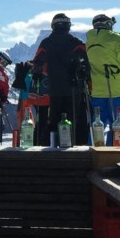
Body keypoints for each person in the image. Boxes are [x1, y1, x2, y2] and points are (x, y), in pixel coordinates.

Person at [31, 14, 88, 146]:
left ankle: (50, 147)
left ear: (53, 26)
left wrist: (37, 73)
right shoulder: (77, 43)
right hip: (74, 88)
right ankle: (73, 147)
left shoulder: (46, 43)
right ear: (68, 26)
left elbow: (37, 63)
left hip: (54, 88)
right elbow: (86, 65)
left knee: (53, 120)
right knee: (73, 119)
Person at [85, 15, 120, 143]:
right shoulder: (115, 38)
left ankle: (93, 151)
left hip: (97, 90)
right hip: (117, 89)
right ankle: (114, 151)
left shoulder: (89, 40)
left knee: (97, 124)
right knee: (117, 124)